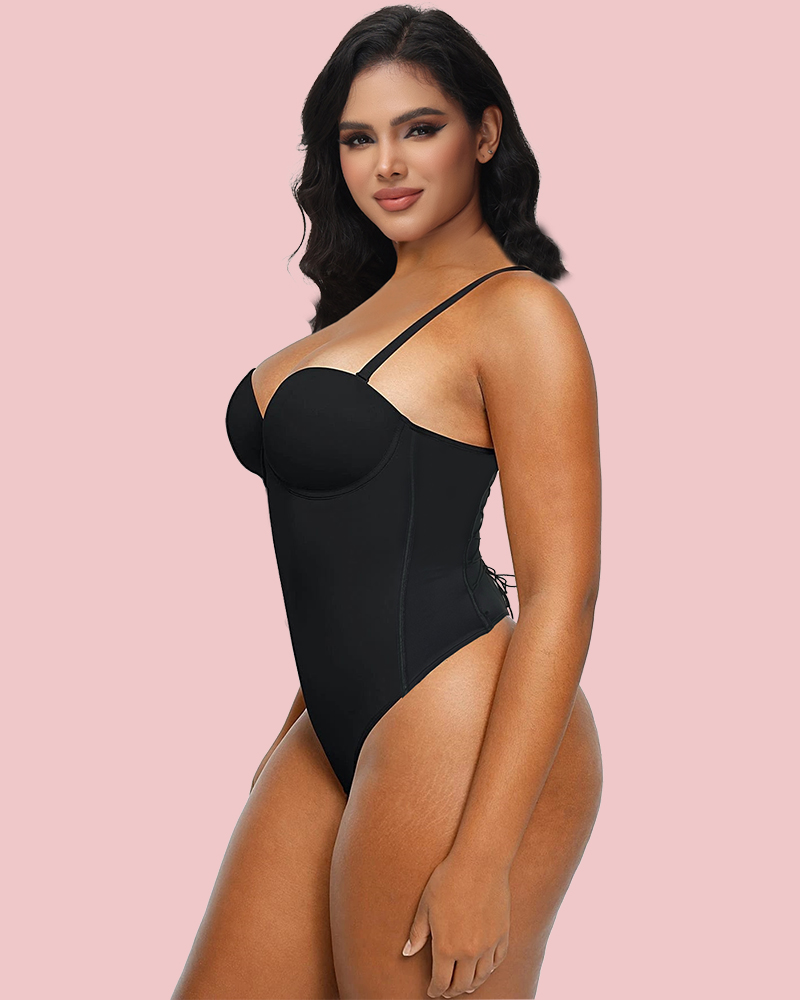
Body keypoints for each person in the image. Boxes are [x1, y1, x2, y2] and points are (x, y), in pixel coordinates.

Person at [172, 6, 603, 998]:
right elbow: (343, 551)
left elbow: (562, 592)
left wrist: (482, 856)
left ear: (483, 135)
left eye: (419, 128)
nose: (388, 164)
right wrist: (306, 717)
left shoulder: (519, 313)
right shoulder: (361, 312)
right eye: (358, 138)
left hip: (459, 722)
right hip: (334, 729)